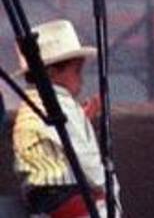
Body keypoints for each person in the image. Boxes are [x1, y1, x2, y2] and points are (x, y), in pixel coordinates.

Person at [12, 19, 119, 218]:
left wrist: (81, 120)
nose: (82, 79)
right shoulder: (59, 107)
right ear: (51, 73)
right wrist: (108, 188)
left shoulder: (31, 105)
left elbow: (59, 140)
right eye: (77, 71)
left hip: (42, 200)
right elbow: (89, 165)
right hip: (65, 197)